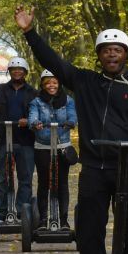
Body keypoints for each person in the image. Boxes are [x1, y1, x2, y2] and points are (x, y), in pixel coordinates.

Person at [14, 6, 128, 254]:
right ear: (99, 55)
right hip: (95, 169)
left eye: (117, 50)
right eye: (107, 50)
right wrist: (30, 33)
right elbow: (53, 62)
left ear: (126, 54)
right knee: (90, 232)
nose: (112, 55)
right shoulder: (85, 81)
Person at [28, 69, 78, 228]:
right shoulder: (36, 102)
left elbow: (73, 115)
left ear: (59, 84)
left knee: (62, 183)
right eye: (48, 83)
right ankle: (42, 220)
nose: (51, 85)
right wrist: (35, 123)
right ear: (43, 85)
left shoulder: (68, 100)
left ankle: (63, 221)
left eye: (55, 82)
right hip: (43, 146)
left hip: (62, 146)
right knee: (44, 183)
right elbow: (32, 117)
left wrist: (71, 122)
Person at [0, 56, 36, 220]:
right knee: (2, 178)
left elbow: (39, 112)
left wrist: (30, 120)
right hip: (4, 139)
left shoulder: (33, 93)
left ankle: (21, 212)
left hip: (26, 141)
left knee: (25, 178)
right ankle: (1, 213)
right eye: (14, 69)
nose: (17, 72)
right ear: (9, 71)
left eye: (20, 69)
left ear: (25, 72)